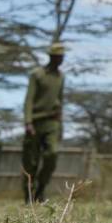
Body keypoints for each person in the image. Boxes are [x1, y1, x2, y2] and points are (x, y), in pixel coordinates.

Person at [22, 41, 66, 203]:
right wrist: (28, 122)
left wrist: (61, 125)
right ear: (51, 57)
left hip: (52, 122)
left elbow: (60, 100)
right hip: (35, 121)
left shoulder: (61, 77)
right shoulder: (37, 74)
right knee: (31, 161)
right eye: (57, 56)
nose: (60, 59)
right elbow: (29, 100)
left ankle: (41, 189)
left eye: (62, 56)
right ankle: (29, 195)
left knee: (52, 154)